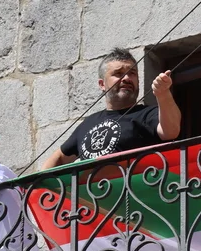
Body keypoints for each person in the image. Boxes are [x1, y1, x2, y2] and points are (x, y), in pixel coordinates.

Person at [39, 48, 181, 168]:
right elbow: (60, 157)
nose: (127, 78)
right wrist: (38, 187)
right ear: (102, 84)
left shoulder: (147, 114)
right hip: (93, 192)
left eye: (132, 73)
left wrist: (163, 94)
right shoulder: (88, 123)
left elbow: (171, 131)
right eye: (118, 73)